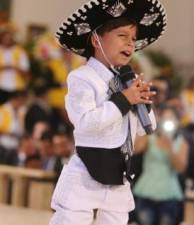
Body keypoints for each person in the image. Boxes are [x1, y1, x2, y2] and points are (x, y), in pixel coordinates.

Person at [49, 0, 166, 224]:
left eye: (133, 39)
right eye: (122, 36)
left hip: (118, 177)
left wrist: (142, 101)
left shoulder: (127, 81)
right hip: (85, 174)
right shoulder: (82, 78)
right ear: (96, 40)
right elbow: (85, 122)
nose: (130, 44)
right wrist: (124, 100)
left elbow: (146, 129)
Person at [133, 106, 188, 225]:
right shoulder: (149, 138)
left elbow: (180, 168)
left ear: (177, 122)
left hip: (169, 194)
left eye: (171, 118)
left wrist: (170, 148)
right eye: (165, 118)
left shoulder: (182, 143)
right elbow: (136, 149)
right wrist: (146, 126)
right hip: (147, 191)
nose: (167, 121)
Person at [0, 23, 30, 104]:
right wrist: (4, 67)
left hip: (16, 88)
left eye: (9, 37)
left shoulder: (20, 51)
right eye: (5, 37)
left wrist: (15, 68)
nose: (7, 40)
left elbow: (26, 72)